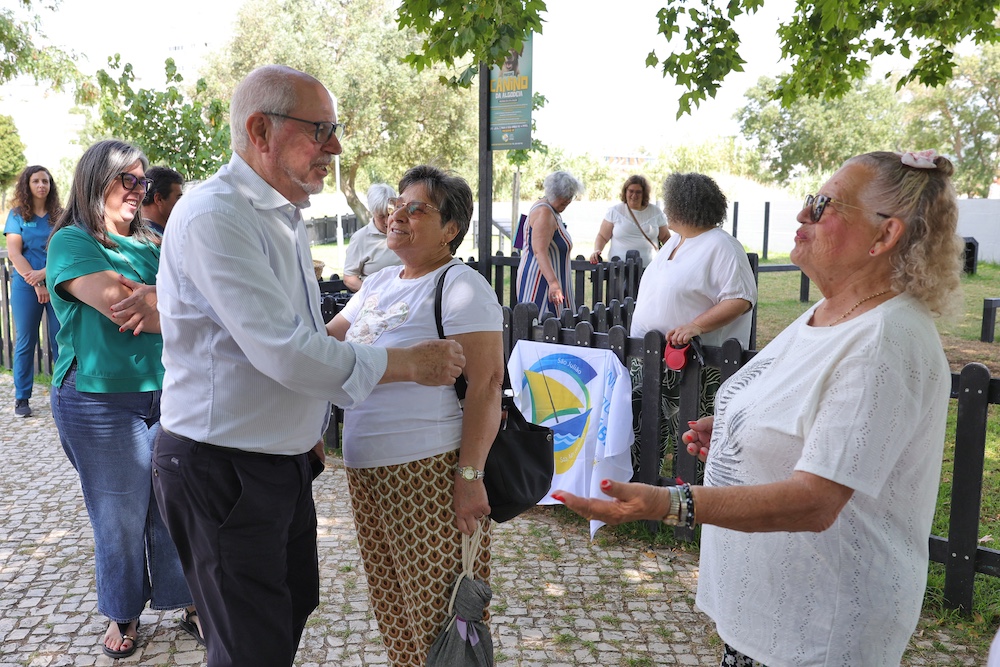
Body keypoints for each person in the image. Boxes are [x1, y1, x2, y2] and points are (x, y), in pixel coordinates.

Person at [555, 150, 964, 666]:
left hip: (818, 635)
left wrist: (670, 503)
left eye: (823, 204)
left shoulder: (886, 338)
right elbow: (798, 412)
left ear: (885, 236)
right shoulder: (829, 310)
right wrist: (733, 433)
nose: (802, 215)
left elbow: (815, 501)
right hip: (766, 617)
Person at [151, 64, 466, 667]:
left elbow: (294, 339)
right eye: (320, 129)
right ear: (260, 131)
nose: (337, 147)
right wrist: (409, 363)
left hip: (275, 458)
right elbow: (286, 352)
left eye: (335, 129)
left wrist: (306, 431)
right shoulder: (218, 215)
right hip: (224, 466)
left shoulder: (282, 213)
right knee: (252, 646)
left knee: (289, 611)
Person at [328, 164, 503, 667]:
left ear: (451, 228)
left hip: (429, 472)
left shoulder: (459, 284)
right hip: (367, 473)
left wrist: (470, 476)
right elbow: (323, 349)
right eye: (398, 205)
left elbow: (487, 385)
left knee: (441, 620)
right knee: (396, 615)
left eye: (417, 208)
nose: (398, 214)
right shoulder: (378, 284)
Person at [45, 139, 198, 659]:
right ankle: (122, 610)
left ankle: (184, 598)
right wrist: (158, 296)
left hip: (167, 394)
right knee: (119, 514)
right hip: (98, 401)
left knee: (173, 506)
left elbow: (192, 297)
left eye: (143, 182)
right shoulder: (71, 240)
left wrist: (152, 294)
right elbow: (119, 305)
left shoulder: (155, 240)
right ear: (95, 181)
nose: (138, 190)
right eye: (126, 180)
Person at [627, 173, 756, 475]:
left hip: (693, 363)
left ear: (682, 207)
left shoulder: (722, 246)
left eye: (669, 203)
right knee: (644, 427)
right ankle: (644, 494)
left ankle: (695, 504)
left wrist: (695, 325)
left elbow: (740, 299)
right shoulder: (676, 240)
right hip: (650, 358)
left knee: (688, 436)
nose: (665, 209)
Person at [3, 165, 62, 417]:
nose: (41, 185)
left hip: (58, 283)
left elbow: (66, 251)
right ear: (27, 185)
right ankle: (22, 398)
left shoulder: (60, 215)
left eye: (45, 181)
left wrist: (46, 276)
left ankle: (63, 394)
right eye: (36, 181)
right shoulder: (17, 215)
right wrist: (37, 283)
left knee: (62, 338)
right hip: (26, 287)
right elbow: (15, 253)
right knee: (26, 341)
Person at [515, 170, 583, 318]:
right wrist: (553, 283)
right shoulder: (544, 213)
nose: (568, 201)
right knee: (543, 326)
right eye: (565, 197)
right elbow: (539, 251)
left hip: (550, 278)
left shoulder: (550, 208)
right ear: (554, 193)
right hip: (541, 281)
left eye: (570, 196)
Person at [589, 174, 669, 267]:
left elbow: (665, 237)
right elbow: (602, 236)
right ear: (625, 192)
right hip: (618, 269)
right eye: (631, 191)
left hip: (650, 269)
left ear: (644, 194)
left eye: (638, 192)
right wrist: (597, 250)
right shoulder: (615, 211)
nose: (634, 195)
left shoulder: (655, 212)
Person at [342, 182, 401, 292]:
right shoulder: (360, 238)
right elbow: (349, 278)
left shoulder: (406, 232)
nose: (387, 221)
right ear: (372, 212)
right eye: (381, 216)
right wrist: (372, 293)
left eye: (390, 214)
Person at [142, 166, 184, 235]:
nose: (181, 204)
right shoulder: (158, 241)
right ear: (159, 199)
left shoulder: (130, 233)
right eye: (178, 198)